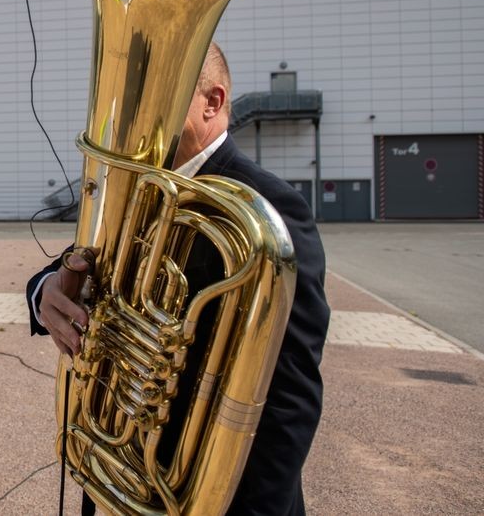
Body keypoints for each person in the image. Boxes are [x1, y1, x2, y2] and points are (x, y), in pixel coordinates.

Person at [27, 43, 330, 515]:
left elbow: (290, 395)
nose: (135, 119)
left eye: (157, 100)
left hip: (211, 498)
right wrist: (45, 290)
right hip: (114, 476)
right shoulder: (134, 188)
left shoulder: (271, 206)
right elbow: (82, 260)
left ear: (213, 102)